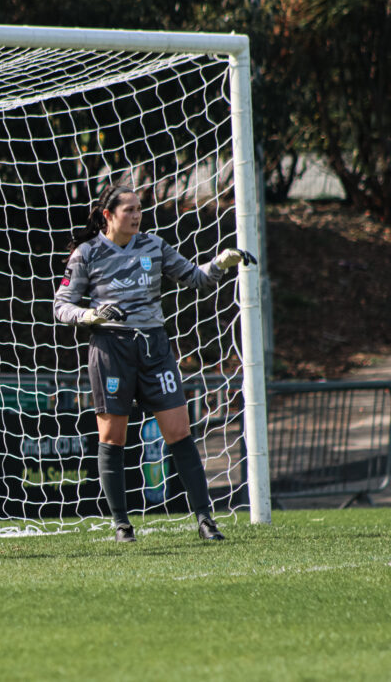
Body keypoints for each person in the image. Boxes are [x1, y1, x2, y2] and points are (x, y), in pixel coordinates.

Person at [53, 184, 256, 543]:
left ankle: (205, 520)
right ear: (108, 215)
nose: (136, 215)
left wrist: (221, 263)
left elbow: (195, 278)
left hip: (154, 347)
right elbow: (61, 306)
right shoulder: (86, 254)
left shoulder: (154, 246)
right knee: (112, 437)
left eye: (139, 209)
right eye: (128, 209)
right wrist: (93, 315)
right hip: (111, 349)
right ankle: (121, 524)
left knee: (178, 431)